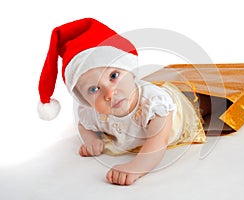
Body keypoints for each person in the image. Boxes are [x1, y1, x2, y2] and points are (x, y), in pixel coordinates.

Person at [37, 18, 207, 185]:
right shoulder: (92, 112)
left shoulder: (154, 104)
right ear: (84, 100)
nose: (109, 93)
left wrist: (136, 167)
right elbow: (83, 125)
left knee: (201, 108)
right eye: (94, 89)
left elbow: (157, 142)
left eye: (113, 76)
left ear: (129, 70)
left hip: (177, 117)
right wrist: (90, 140)